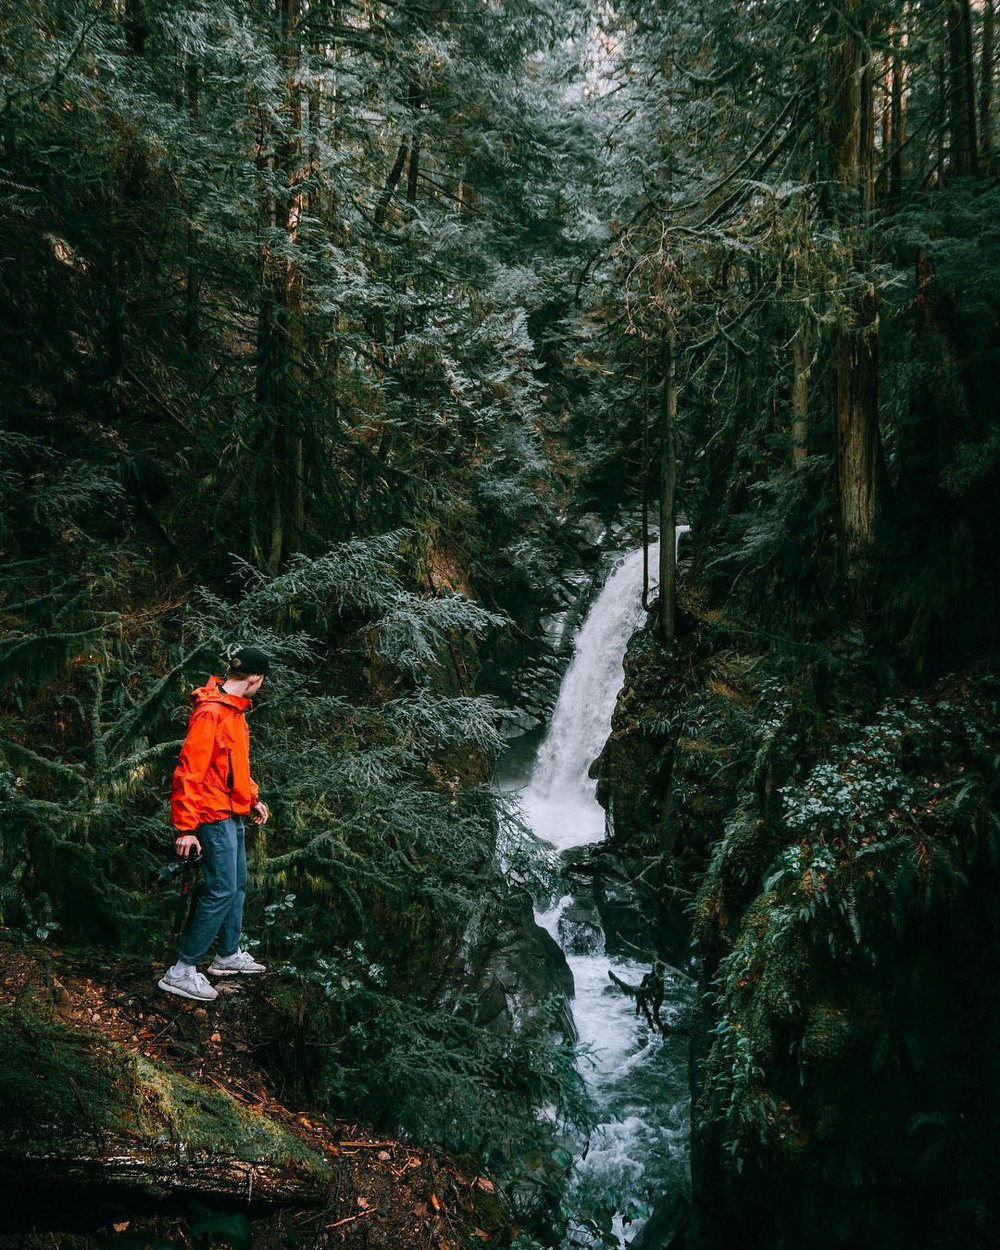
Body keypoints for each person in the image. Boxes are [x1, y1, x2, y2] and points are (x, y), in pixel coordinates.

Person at [157, 646, 271, 1002]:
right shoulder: (210, 713)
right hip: (210, 814)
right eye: (261, 682)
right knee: (220, 888)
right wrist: (186, 828)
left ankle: (227, 955)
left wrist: (252, 798)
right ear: (255, 678)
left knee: (236, 884)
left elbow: (235, 764)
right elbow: (189, 772)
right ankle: (181, 971)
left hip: (231, 810)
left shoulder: (234, 711)